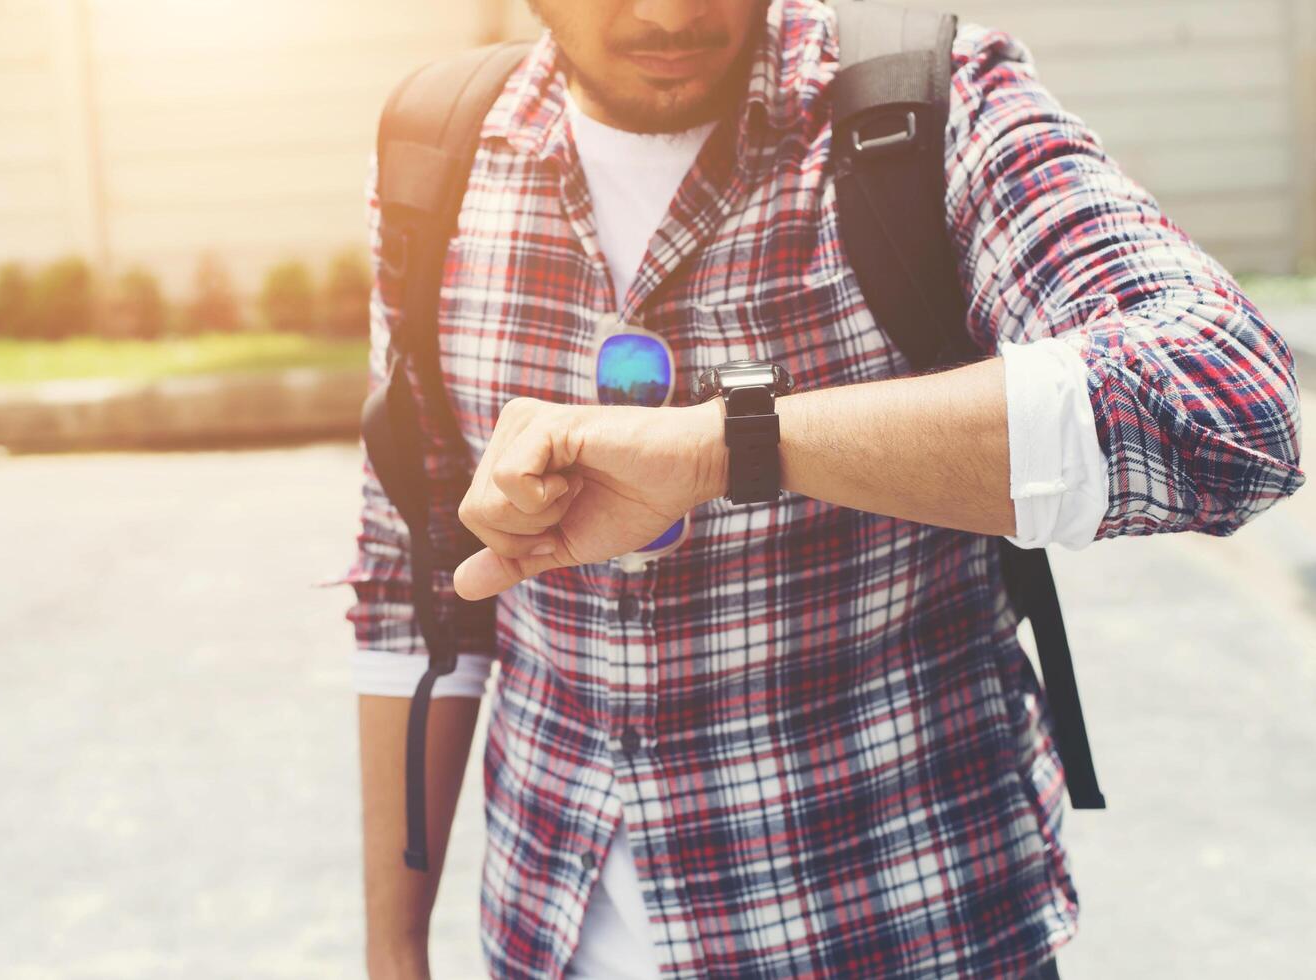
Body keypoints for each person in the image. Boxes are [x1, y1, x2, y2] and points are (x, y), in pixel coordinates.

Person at [339, 1, 1306, 977]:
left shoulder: (923, 103)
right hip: (546, 927)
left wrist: (738, 443)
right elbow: (407, 571)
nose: (668, 10)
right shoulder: (439, 147)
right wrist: (394, 950)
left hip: (893, 921)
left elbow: (1224, 407)